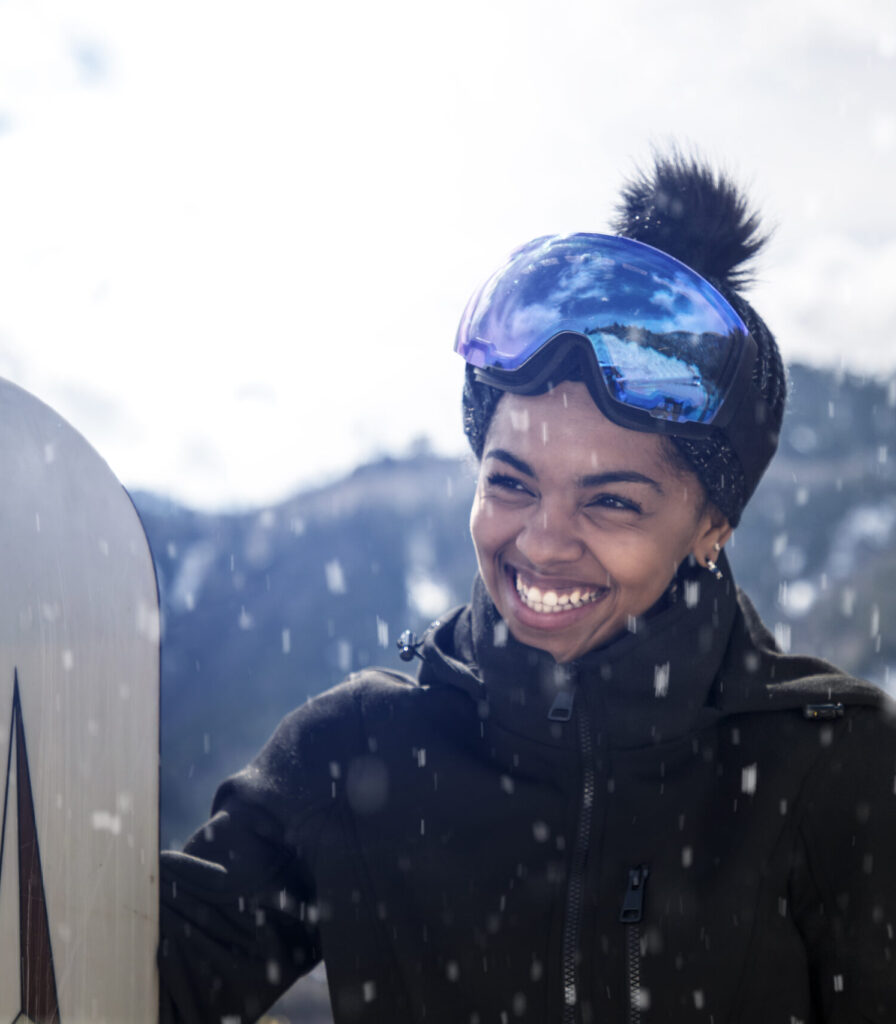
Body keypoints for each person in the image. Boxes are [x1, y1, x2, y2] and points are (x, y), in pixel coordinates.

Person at [159, 153, 896, 1024]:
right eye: (511, 483)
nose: (541, 544)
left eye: (612, 501)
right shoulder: (355, 752)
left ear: (712, 526)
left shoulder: (830, 765)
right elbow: (129, 976)